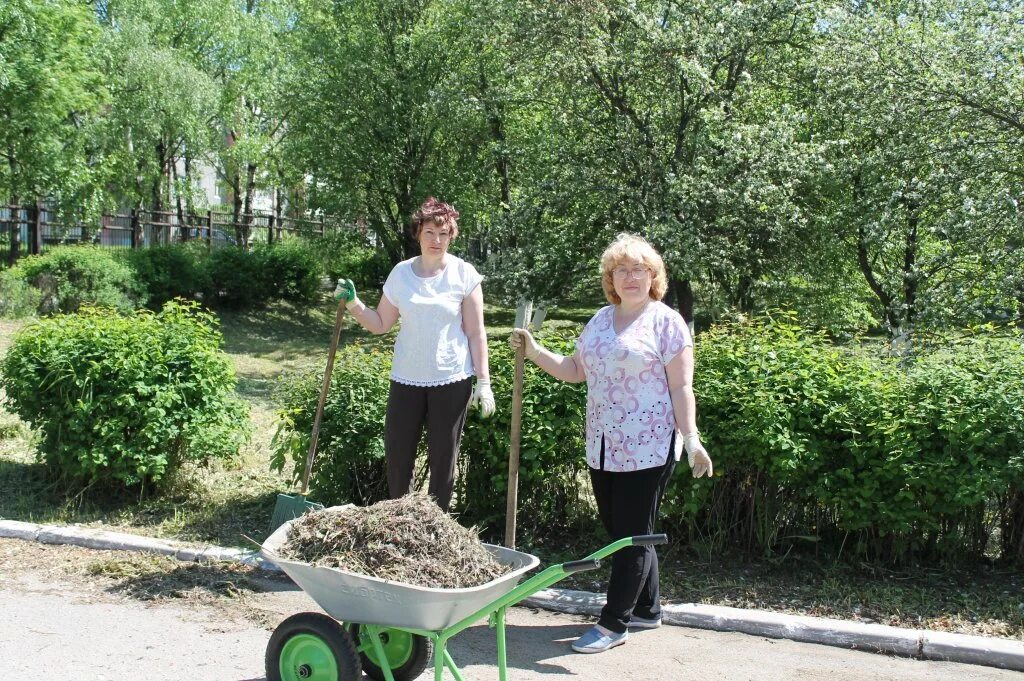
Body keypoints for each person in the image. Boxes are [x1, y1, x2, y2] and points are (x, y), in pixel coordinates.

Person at [510, 233, 712, 654]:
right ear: (611, 279)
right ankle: (647, 609)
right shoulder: (601, 320)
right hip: (603, 444)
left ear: (653, 276)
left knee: (631, 537)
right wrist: (534, 351)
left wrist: (692, 438)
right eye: (621, 270)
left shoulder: (666, 322)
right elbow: (574, 370)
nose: (630, 277)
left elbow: (682, 387)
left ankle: (612, 623)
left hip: (650, 445)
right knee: (624, 531)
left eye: (639, 269)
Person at [335, 197, 495, 511]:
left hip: (451, 380)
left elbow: (477, 333)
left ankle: (436, 530)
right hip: (406, 379)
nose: (437, 240)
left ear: (452, 236)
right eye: (430, 233)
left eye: (444, 234)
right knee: (398, 458)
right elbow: (381, 323)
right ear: (417, 233)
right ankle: (400, 523)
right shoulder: (401, 274)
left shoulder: (464, 274)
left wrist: (484, 383)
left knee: (442, 461)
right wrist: (354, 303)